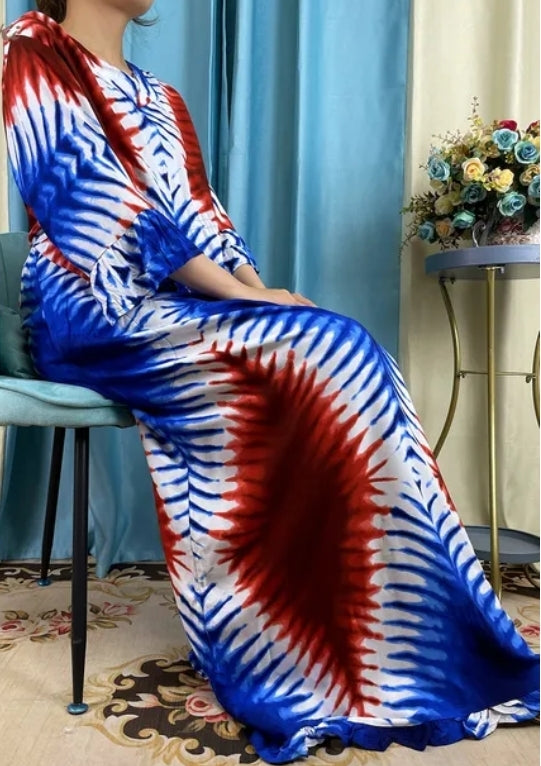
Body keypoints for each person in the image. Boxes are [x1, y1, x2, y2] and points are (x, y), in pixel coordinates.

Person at [2, 2, 539, 762]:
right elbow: (89, 200)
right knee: (304, 353)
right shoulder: (33, 48)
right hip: (89, 308)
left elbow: (203, 216)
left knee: (344, 350)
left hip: (178, 301)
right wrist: (239, 298)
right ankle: (283, 642)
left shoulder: (161, 98)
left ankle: (380, 630)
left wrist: (265, 293)